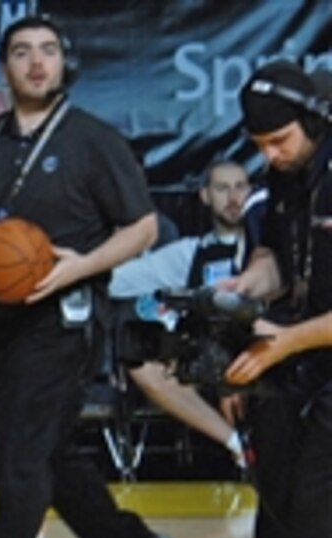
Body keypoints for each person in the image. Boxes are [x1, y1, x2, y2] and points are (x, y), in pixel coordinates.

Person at [0, 16, 171, 538]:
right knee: (46, 455)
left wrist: (79, 269)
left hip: (64, 319)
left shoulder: (92, 139)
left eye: (48, 51)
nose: (37, 62)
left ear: (64, 63)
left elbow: (143, 227)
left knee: (19, 457)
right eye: (22, 52)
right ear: (3, 67)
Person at [213, 60, 332, 538]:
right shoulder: (285, 178)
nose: (270, 154)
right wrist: (244, 290)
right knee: (290, 502)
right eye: (259, 145)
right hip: (307, 354)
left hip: (314, 344)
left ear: (316, 121)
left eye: (280, 140)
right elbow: (279, 263)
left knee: (320, 514)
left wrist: (283, 342)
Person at [109, 159, 256, 470]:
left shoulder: (271, 246)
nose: (232, 197)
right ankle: (236, 446)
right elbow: (115, 281)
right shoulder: (187, 253)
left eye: (240, 187)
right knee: (142, 359)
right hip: (210, 362)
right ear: (204, 196)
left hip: (264, 352)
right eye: (222, 188)